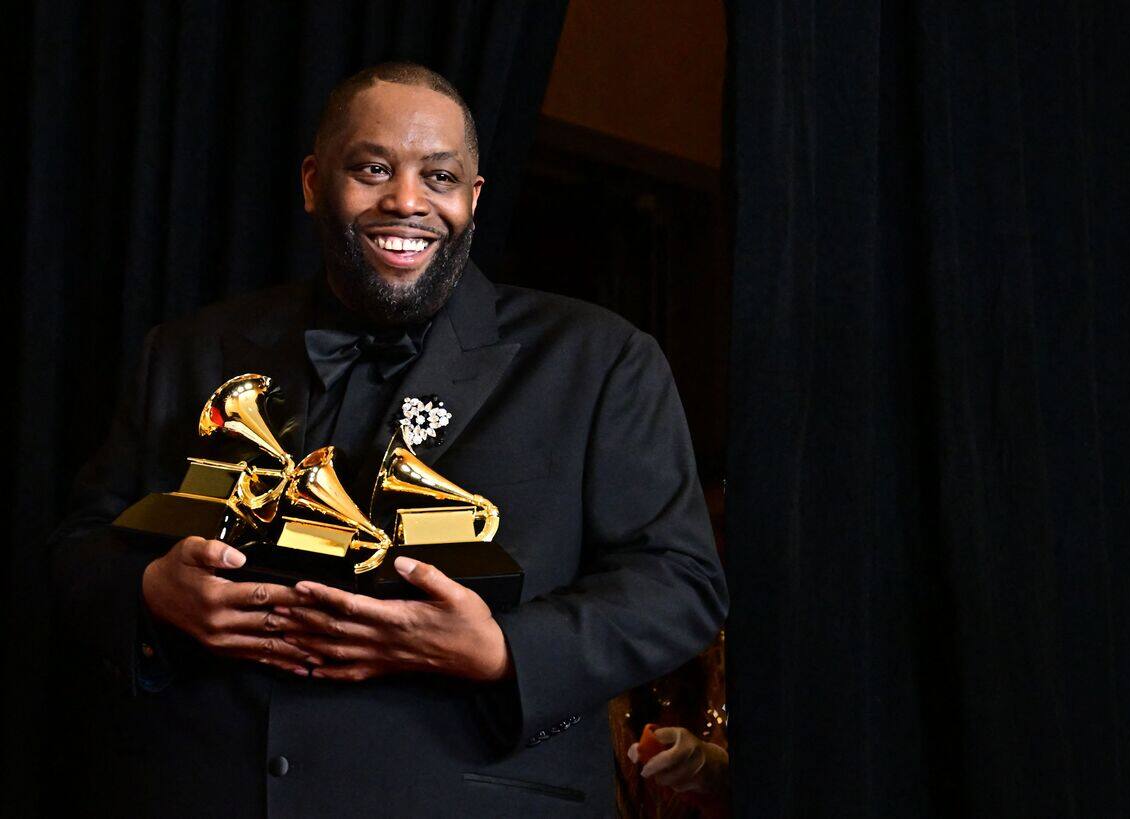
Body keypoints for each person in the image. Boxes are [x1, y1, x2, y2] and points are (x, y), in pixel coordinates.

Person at [50, 62, 727, 817]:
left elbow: (680, 583)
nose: (407, 201)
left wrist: (503, 651)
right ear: (314, 184)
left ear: (472, 199)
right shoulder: (189, 351)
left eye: (439, 177)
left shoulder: (599, 359)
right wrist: (151, 595)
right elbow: (79, 548)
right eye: (373, 168)